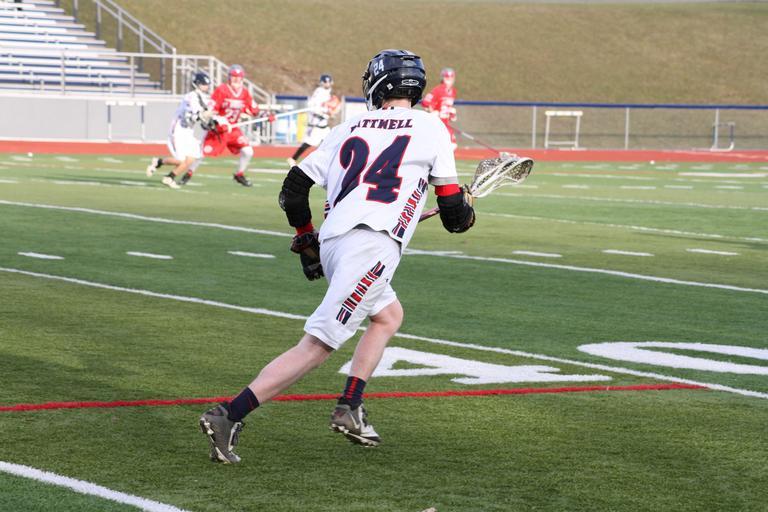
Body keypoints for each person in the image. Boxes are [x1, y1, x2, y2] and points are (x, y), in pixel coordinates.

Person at [199, 49, 475, 464]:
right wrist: (466, 210)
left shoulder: (348, 126)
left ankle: (351, 406)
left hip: (334, 242)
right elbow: (454, 215)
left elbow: (292, 191)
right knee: (317, 345)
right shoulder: (431, 126)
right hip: (371, 247)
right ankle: (228, 415)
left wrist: (305, 239)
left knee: (388, 316)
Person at [146, 71, 214, 189]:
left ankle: (169, 177)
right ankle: (159, 162)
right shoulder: (191, 96)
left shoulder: (202, 98)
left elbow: (207, 113)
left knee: (192, 158)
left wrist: (216, 121)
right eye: (203, 84)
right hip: (178, 130)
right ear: (197, 84)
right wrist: (204, 117)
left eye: (207, 84)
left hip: (188, 131)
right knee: (180, 160)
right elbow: (194, 115)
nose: (206, 86)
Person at [202, 64, 261, 187]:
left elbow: (254, 109)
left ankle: (239, 174)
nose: (236, 79)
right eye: (234, 76)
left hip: (234, 129)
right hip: (219, 129)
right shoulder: (222, 90)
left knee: (248, 151)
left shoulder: (244, 93)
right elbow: (212, 109)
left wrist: (265, 115)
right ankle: (188, 173)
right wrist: (218, 121)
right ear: (229, 77)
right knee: (201, 152)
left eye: (238, 77)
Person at [287, 74, 341, 167]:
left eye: (329, 82)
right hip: (316, 123)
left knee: (330, 141)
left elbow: (328, 106)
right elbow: (313, 107)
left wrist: (329, 112)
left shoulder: (328, 93)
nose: (327, 84)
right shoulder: (319, 92)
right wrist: (325, 112)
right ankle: (293, 159)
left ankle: (326, 162)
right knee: (310, 143)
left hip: (323, 124)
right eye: (325, 82)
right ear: (322, 83)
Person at [421, 67, 458, 150]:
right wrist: (433, 112)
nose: (449, 80)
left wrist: (452, 114)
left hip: (446, 123)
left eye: (451, 78)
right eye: (447, 77)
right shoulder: (438, 90)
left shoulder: (453, 91)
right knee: (449, 145)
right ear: (443, 78)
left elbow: (447, 107)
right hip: (438, 123)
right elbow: (425, 102)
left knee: (451, 145)